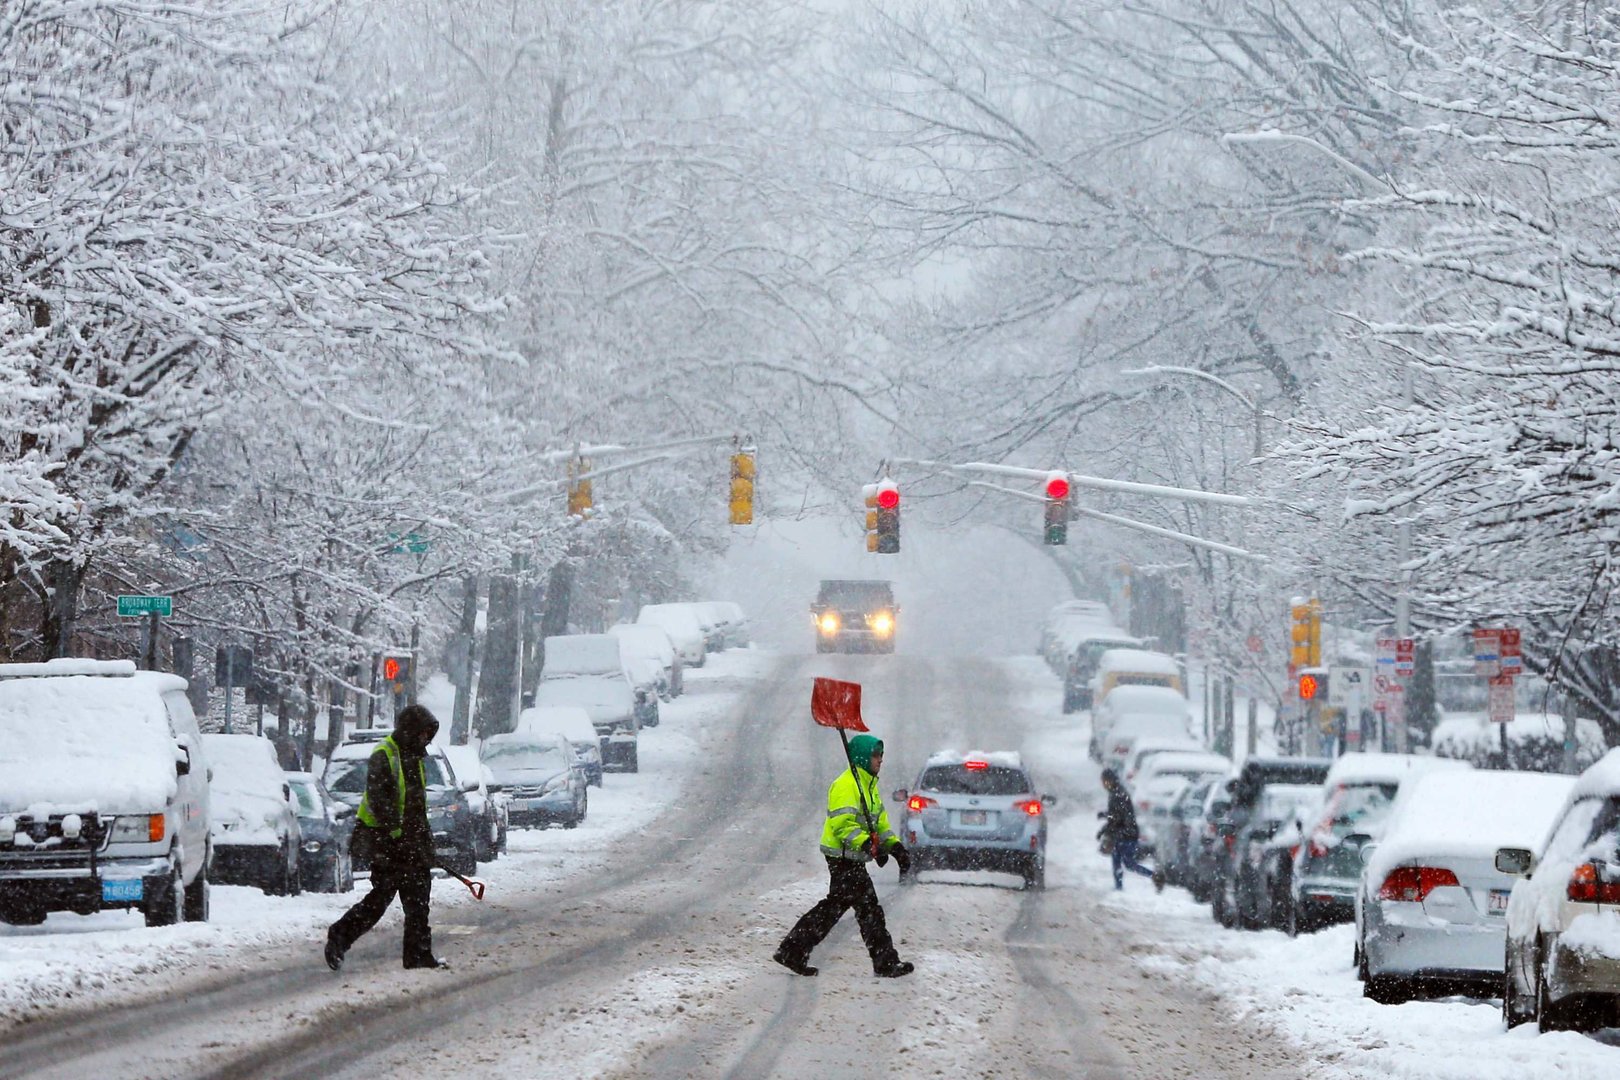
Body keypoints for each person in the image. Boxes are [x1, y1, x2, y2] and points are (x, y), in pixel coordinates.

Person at [774, 733, 914, 978]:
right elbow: (842, 824)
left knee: (838, 906)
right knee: (867, 908)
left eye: (881, 755)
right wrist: (863, 844)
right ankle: (885, 962)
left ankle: (793, 950)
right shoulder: (846, 784)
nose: (880, 760)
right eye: (875, 755)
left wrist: (894, 847)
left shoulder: (868, 785)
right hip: (841, 855)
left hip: (852, 856)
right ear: (862, 757)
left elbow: (879, 823)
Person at [325, 704, 447, 971]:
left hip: (410, 843)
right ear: (411, 731)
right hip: (385, 842)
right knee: (380, 899)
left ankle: (418, 954)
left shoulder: (416, 758)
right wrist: (397, 836)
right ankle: (339, 935)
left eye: (429, 734)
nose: (427, 739)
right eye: (424, 733)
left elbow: (416, 806)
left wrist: (424, 842)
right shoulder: (385, 754)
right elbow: (381, 802)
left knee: (418, 900)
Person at [1098, 767, 1162, 892]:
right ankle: (1119, 886)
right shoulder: (1116, 793)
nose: (1103, 784)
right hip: (1124, 833)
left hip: (1126, 834)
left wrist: (1106, 822)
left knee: (1127, 863)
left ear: (1110, 780)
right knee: (1120, 861)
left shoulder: (1118, 794)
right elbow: (1116, 816)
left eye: (1105, 781)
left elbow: (1117, 817)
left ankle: (1153, 875)